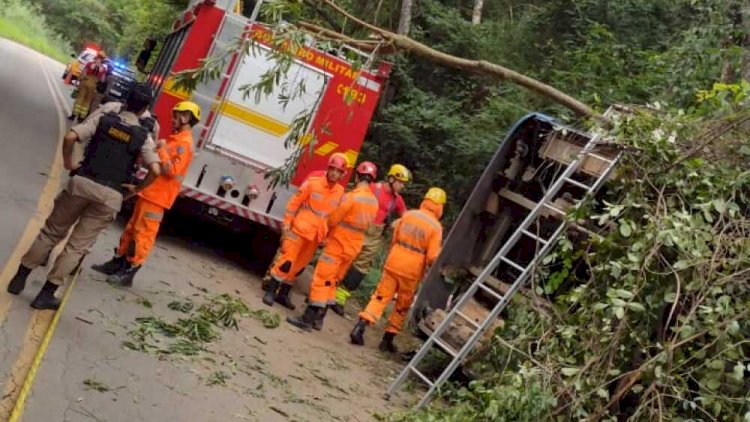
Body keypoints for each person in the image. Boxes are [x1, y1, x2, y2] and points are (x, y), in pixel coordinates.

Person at [6, 84, 161, 309]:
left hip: (82, 182)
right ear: (145, 108)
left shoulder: (105, 118)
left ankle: (19, 279)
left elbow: (70, 137)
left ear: (126, 100)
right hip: (110, 195)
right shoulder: (144, 136)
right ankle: (45, 295)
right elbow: (155, 170)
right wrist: (135, 189)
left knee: (50, 233)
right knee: (76, 247)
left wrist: (69, 163)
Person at [91, 101, 200, 287]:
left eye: (176, 116)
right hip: (150, 193)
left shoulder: (184, 144)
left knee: (143, 235)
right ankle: (118, 261)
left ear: (186, 117)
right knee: (132, 229)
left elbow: (171, 170)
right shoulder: (176, 140)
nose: (172, 120)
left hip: (158, 198)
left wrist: (162, 150)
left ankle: (130, 270)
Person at [350, 187, 446, 352]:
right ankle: (387, 339)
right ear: (440, 207)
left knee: (380, 297)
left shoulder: (409, 215)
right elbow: (432, 257)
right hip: (411, 270)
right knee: (402, 304)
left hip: (394, 261)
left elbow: (394, 238)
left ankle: (360, 327)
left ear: (425, 201)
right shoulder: (436, 227)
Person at [287, 162, 379, 331]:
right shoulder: (374, 202)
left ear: (357, 176)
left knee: (321, 279)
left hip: (338, 244)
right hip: (353, 247)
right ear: (372, 181)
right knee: (332, 281)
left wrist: (324, 229)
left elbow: (333, 219)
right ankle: (319, 319)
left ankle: (307, 319)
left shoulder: (352, 197)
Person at [263, 154, 348, 309]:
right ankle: (270, 290)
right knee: (286, 262)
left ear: (343, 174)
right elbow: (294, 203)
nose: (334, 173)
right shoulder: (313, 183)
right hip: (300, 229)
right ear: (328, 169)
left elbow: (336, 218)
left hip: (316, 236)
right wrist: (287, 224)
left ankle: (283, 294)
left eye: (338, 171)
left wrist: (328, 237)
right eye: (333, 169)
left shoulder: (340, 193)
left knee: (299, 267)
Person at [331, 164, 410, 316]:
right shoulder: (373, 188)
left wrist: (398, 225)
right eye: (400, 182)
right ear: (392, 178)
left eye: (404, 184)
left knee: (360, 268)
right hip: (359, 229)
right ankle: (326, 290)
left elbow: (406, 217)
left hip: (375, 235)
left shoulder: (398, 200)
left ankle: (340, 298)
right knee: (343, 259)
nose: (402, 186)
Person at [70, 51, 108, 122]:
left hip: (85, 82)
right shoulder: (103, 69)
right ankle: (81, 118)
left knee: (80, 99)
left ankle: (73, 115)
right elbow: (102, 80)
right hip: (93, 86)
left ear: (96, 57)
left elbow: (83, 73)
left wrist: (77, 81)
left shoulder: (90, 64)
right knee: (87, 101)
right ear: (103, 59)